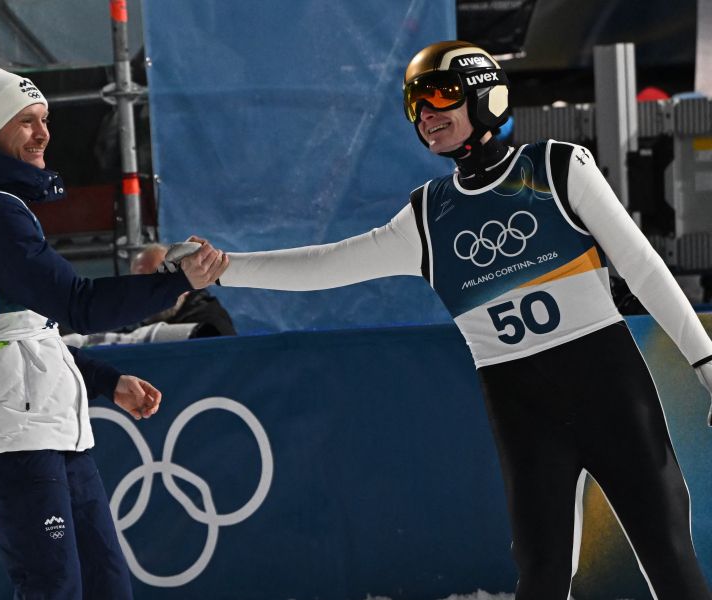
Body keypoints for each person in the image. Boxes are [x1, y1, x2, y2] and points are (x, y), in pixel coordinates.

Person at [177, 41, 712, 598]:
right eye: (415, 104)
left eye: (440, 96)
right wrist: (225, 269)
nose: (426, 114)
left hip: (611, 393)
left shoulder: (557, 167)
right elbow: (325, 265)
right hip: (524, 411)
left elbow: (647, 270)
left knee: (670, 559)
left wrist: (706, 361)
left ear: (485, 96)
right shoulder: (427, 217)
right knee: (542, 572)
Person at [0, 67, 224, 599]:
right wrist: (176, 282)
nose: (43, 133)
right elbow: (77, 305)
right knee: (55, 584)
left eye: (45, 120)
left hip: (42, 414)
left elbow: (27, 333)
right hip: (13, 422)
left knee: (104, 580)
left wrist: (108, 382)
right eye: (26, 122)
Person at [129, 243, 236, 337]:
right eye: (140, 281)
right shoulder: (131, 327)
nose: (150, 289)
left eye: (160, 278)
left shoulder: (209, 329)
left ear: (185, 282)